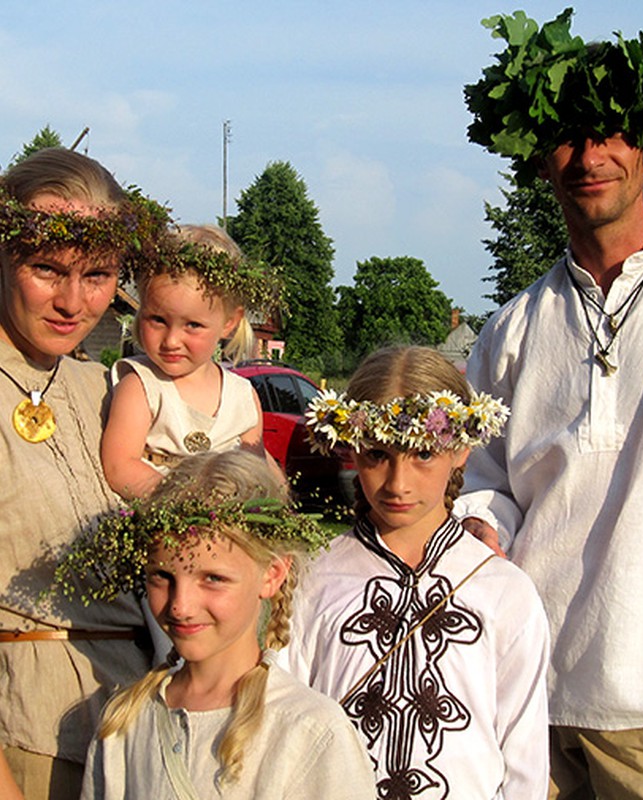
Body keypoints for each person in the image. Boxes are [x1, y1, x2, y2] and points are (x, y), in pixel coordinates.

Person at [459, 9, 643, 799]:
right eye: (567, 137)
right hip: (527, 702)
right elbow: (486, 484)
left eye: (612, 134)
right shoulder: (513, 328)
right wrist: (483, 523)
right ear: (538, 158)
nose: (590, 158)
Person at [289, 345, 550, 799]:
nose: (397, 483)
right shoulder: (313, 579)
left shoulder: (504, 592)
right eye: (377, 455)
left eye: (423, 455)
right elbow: (287, 727)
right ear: (351, 446)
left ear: (462, 449)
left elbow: (524, 755)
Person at [61, 449, 377, 800]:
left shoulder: (310, 731)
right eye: (162, 576)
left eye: (212, 578)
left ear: (271, 575)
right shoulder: (125, 723)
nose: (181, 606)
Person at [0, 147, 166, 798]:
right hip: (30, 741)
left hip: (137, 738)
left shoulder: (108, 389)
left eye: (98, 275)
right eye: (47, 269)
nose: (74, 301)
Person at [102, 223, 279, 500]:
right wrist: (189, 504)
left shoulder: (243, 396)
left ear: (229, 323)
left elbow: (255, 472)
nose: (171, 340)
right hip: (160, 517)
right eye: (157, 320)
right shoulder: (141, 386)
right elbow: (120, 466)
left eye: (193, 325)